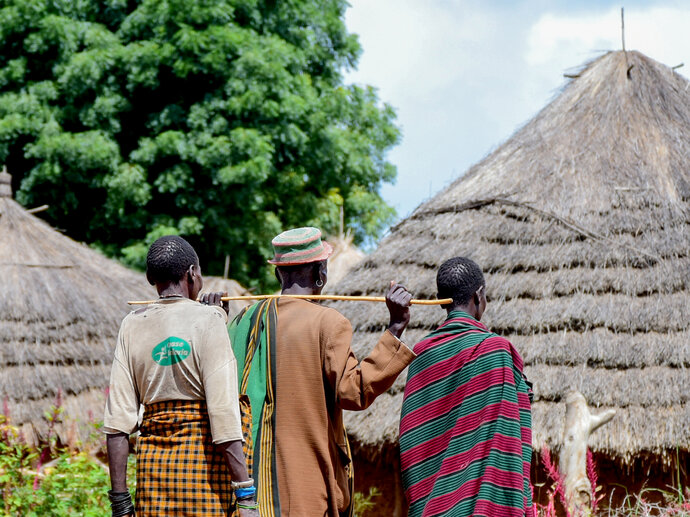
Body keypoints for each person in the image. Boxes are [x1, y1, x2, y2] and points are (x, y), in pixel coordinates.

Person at [209, 227, 416, 517]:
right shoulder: (329, 324)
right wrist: (395, 328)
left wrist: (213, 317)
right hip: (303, 491)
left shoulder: (241, 322)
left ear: (279, 274)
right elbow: (353, 392)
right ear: (321, 272)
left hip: (245, 493)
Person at [103, 235, 258, 517]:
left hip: (154, 483)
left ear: (151, 278)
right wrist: (246, 495)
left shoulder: (132, 325)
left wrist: (121, 503)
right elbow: (223, 413)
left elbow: (117, 425)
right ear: (192, 273)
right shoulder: (209, 320)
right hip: (204, 483)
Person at [399, 257, 533, 517]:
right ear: (479, 295)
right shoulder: (496, 351)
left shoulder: (421, 354)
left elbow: (414, 438)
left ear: (440, 299)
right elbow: (509, 436)